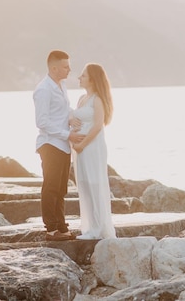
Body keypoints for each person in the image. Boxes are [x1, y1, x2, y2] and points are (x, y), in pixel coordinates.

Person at [33, 50, 84, 241]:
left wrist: (73, 117)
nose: (69, 69)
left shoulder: (61, 85)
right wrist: (67, 133)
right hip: (50, 144)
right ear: (54, 68)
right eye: (65, 66)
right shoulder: (43, 90)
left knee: (61, 188)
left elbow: (62, 110)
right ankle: (51, 229)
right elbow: (42, 122)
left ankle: (62, 226)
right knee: (51, 187)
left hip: (63, 144)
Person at [72, 63, 117, 240]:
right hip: (79, 149)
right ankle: (90, 226)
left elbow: (98, 125)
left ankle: (99, 228)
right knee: (83, 184)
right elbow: (75, 120)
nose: (79, 78)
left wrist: (83, 145)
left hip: (92, 147)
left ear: (92, 79)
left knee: (94, 183)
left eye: (83, 75)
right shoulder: (82, 99)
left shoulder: (97, 99)